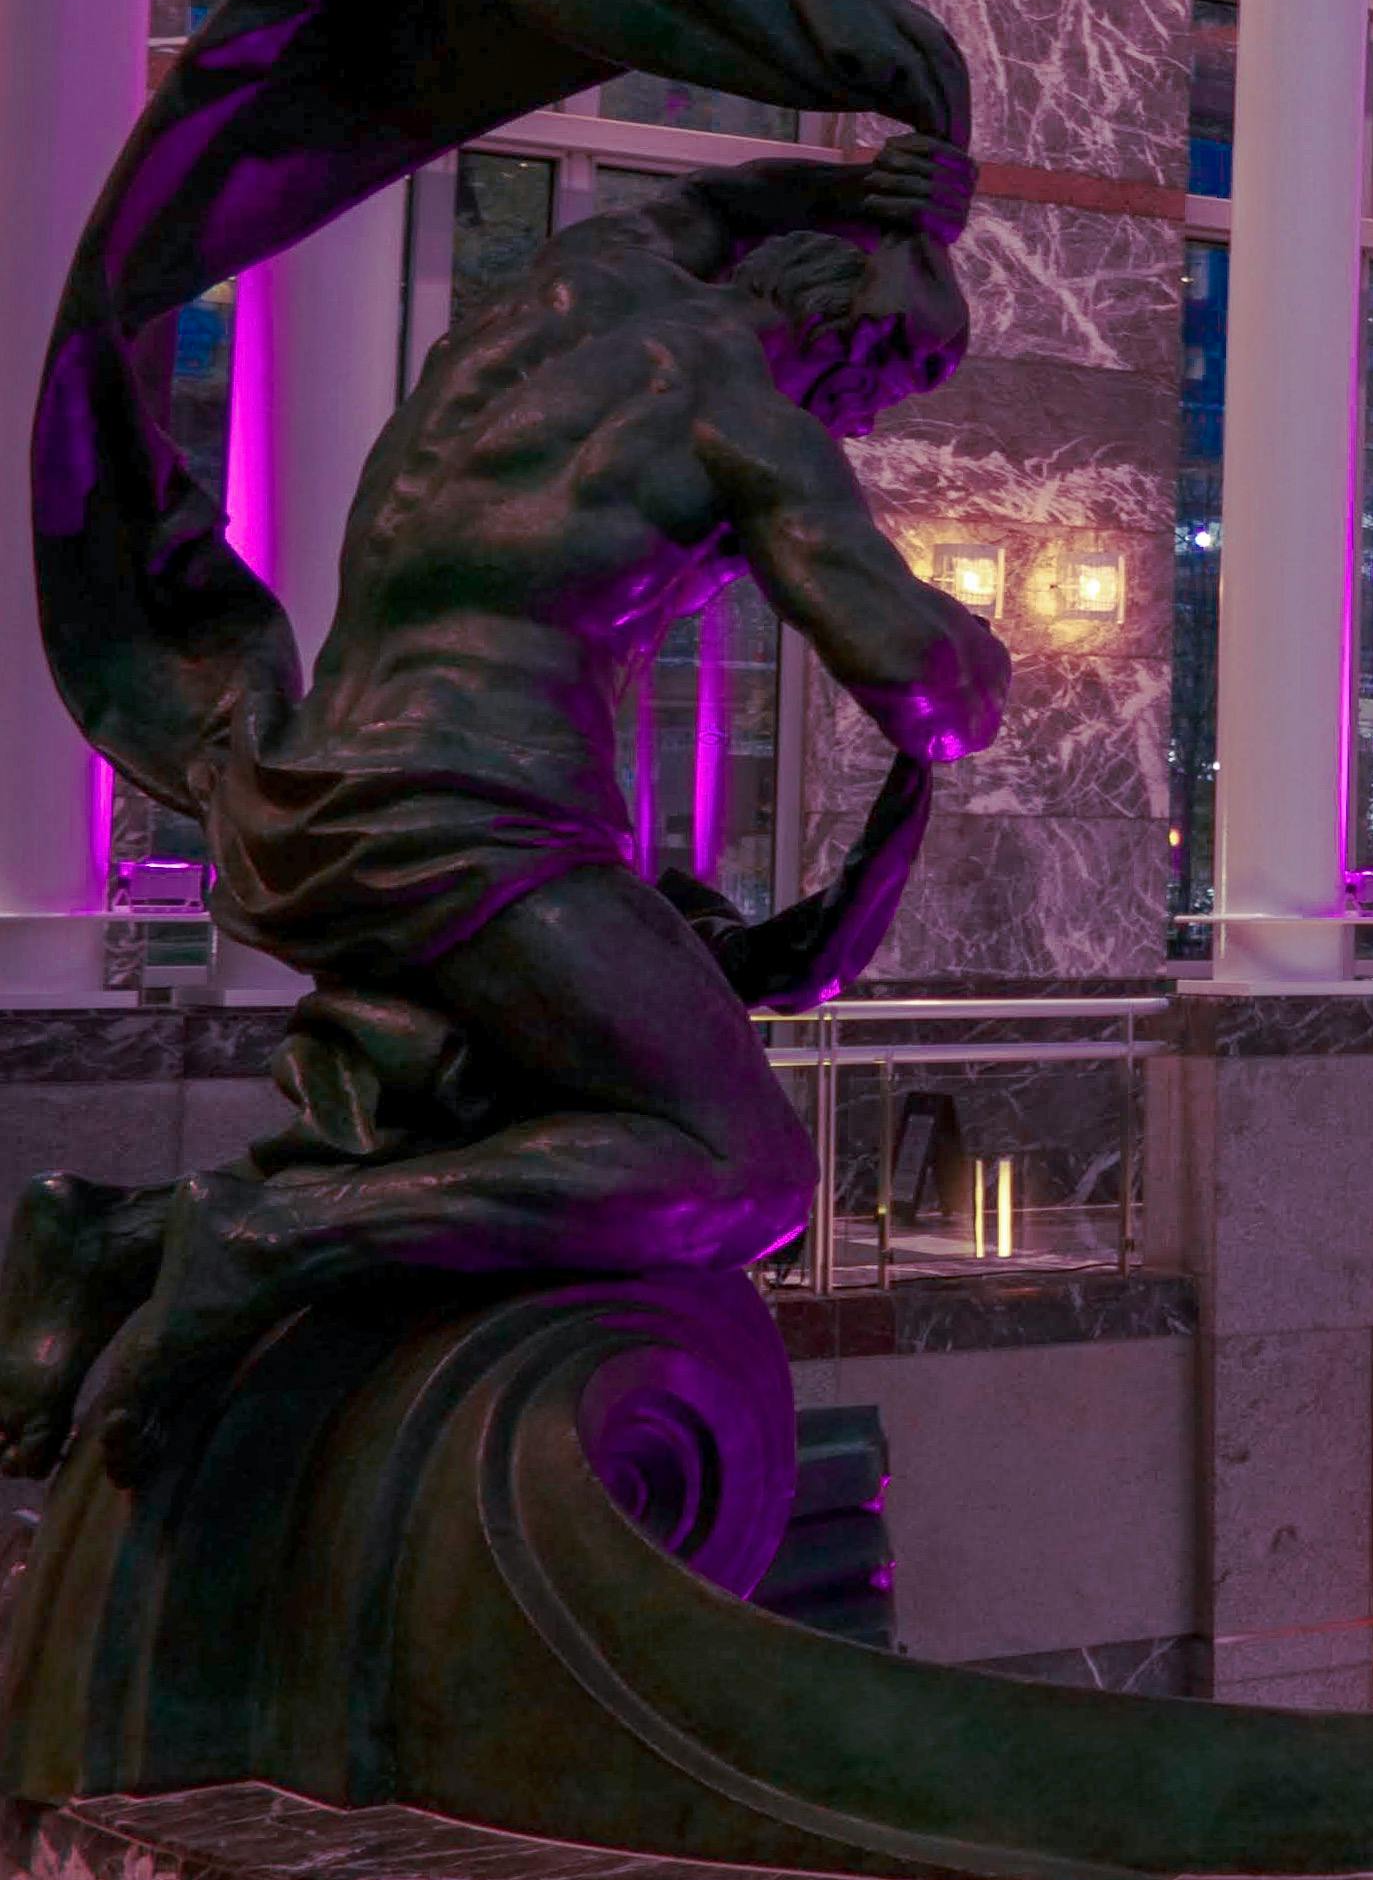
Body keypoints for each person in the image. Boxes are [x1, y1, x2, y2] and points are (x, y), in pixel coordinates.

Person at [0, 132, 1003, 1476]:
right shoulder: (752, 423)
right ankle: (261, 1239)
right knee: (745, 1170)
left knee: (511, 1117)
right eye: (885, 385)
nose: (867, 423)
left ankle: (114, 1235)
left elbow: (706, 198)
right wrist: (983, 650)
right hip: (475, 815)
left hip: (311, 786)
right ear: (848, 336)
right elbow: (921, 683)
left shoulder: (581, 282)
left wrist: (857, 188)